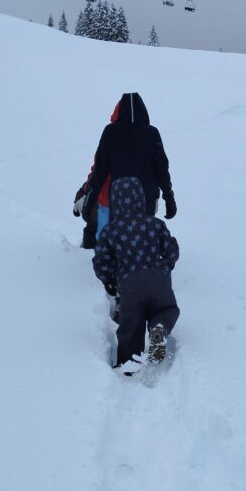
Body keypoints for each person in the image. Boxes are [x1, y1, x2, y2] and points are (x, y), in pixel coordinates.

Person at [93, 176, 180, 369]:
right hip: (158, 279)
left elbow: (101, 261)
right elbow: (171, 250)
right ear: (141, 198)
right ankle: (159, 327)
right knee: (166, 309)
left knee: (130, 326)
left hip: (129, 283)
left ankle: (128, 365)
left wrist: (109, 280)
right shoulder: (155, 224)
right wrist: (165, 266)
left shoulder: (111, 230)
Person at [82, 92, 176, 228]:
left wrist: (89, 200)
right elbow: (161, 170)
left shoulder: (111, 132)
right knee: (143, 238)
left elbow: (100, 170)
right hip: (146, 198)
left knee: (119, 239)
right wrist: (168, 196)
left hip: (118, 197)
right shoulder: (151, 133)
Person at [73, 100, 123, 247]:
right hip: (133, 203)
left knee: (94, 222)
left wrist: (84, 192)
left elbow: (97, 171)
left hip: (105, 201)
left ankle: (89, 250)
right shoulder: (145, 137)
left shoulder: (109, 135)